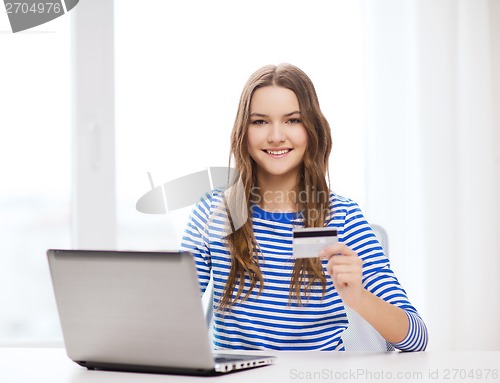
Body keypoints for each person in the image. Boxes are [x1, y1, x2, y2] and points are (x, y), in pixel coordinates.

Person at [180, 63, 428, 351]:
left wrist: (358, 296)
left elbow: (417, 338)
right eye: (259, 121)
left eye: (292, 120)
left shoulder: (342, 216)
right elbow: (168, 316)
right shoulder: (213, 212)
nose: (275, 136)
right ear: (242, 132)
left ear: (312, 129)